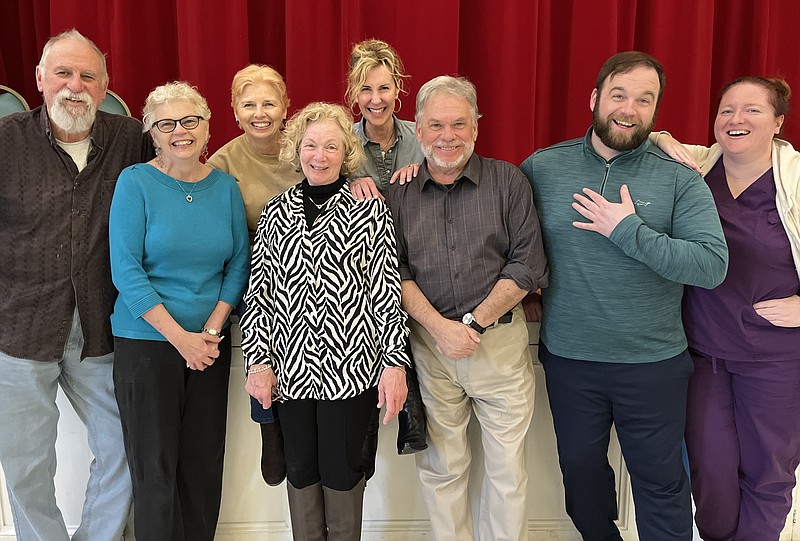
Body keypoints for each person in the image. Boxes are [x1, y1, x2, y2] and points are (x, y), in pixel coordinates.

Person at [520, 51, 729, 541]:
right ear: (595, 98)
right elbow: (507, 240)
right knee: (581, 483)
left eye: (644, 99)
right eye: (619, 95)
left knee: (660, 484)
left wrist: (628, 230)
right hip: (570, 361)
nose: (629, 109)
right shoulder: (542, 168)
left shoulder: (679, 177)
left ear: (656, 111)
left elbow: (711, 266)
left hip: (653, 364)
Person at [0, 29, 152, 541]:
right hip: (17, 330)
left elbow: (189, 171)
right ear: (40, 79)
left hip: (101, 330)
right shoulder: (5, 142)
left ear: (105, 84)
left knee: (128, 449)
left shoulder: (133, 138)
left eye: (88, 76)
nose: (75, 86)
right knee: (25, 469)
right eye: (63, 73)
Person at [386, 75, 548, 541]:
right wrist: (440, 329)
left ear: (476, 125)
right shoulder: (397, 194)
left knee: (506, 473)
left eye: (459, 123)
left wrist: (472, 323)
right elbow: (392, 270)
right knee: (442, 467)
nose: (447, 136)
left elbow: (527, 264)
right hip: (430, 349)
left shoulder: (508, 181)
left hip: (498, 345)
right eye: (435, 125)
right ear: (417, 129)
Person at [240, 102, 410, 540]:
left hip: (351, 373)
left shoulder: (369, 210)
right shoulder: (276, 213)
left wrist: (394, 364)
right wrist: (257, 364)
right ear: (297, 150)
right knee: (299, 472)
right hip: (289, 372)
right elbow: (259, 296)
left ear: (345, 153)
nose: (320, 155)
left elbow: (386, 291)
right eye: (311, 145)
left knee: (343, 473)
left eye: (331, 146)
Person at [654, 77, 800, 541]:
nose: (736, 120)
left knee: (768, 473)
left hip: (777, 358)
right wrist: (660, 136)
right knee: (710, 473)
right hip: (704, 353)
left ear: (778, 122)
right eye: (726, 110)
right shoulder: (697, 167)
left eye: (752, 110)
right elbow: (654, 142)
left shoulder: (795, 179)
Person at [109, 81, 249, 541]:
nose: (180, 131)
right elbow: (126, 271)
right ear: (152, 132)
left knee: (203, 466)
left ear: (208, 126)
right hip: (148, 343)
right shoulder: (135, 182)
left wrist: (209, 331)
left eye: (190, 120)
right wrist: (181, 338)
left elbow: (239, 265)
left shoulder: (225, 187)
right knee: (155, 469)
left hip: (209, 345)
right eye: (166, 123)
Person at [208, 63, 302, 487]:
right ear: (234, 110)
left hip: (314, 269)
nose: (259, 112)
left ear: (286, 107)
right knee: (262, 320)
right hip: (253, 271)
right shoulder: (222, 161)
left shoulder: (306, 148)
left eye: (269, 102)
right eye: (249, 104)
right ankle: (269, 424)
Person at [344, 38, 426, 480]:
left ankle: (410, 415)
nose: (375, 100)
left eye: (383, 88)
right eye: (366, 90)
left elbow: (454, 173)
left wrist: (424, 172)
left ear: (398, 89)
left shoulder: (421, 136)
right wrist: (349, 181)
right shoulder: (343, 143)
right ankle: (374, 432)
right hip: (359, 271)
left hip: (416, 259)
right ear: (354, 96)